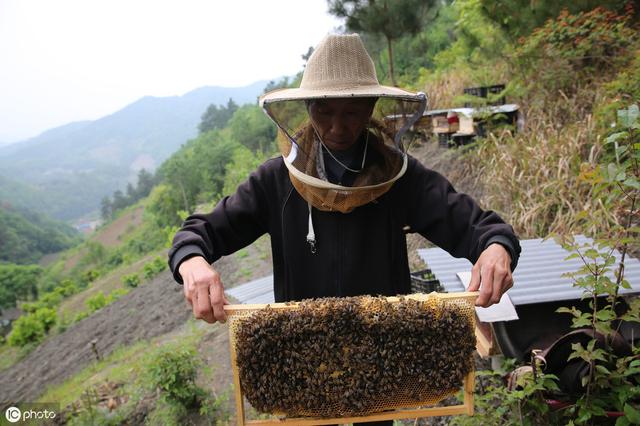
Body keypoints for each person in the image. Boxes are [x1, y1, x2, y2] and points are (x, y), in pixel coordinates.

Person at [169, 32, 519, 425]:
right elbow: (198, 232)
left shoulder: (400, 179)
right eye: (324, 111)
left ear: (370, 107)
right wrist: (192, 261)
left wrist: (495, 249)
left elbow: (480, 227)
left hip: (379, 368)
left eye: (351, 112)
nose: (337, 126)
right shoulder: (275, 183)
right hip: (302, 370)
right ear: (307, 108)